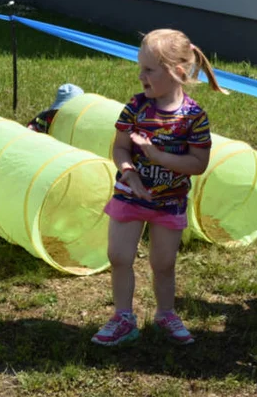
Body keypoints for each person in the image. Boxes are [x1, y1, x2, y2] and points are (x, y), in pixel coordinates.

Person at [91, 29, 226, 347]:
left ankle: (166, 314)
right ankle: (123, 317)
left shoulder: (193, 118)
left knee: (163, 263)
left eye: (149, 70)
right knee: (119, 255)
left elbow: (198, 164)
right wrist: (129, 173)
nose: (141, 76)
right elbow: (120, 148)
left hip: (169, 202)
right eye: (140, 68)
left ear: (177, 72)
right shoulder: (136, 108)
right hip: (130, 195)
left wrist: (156, 155)